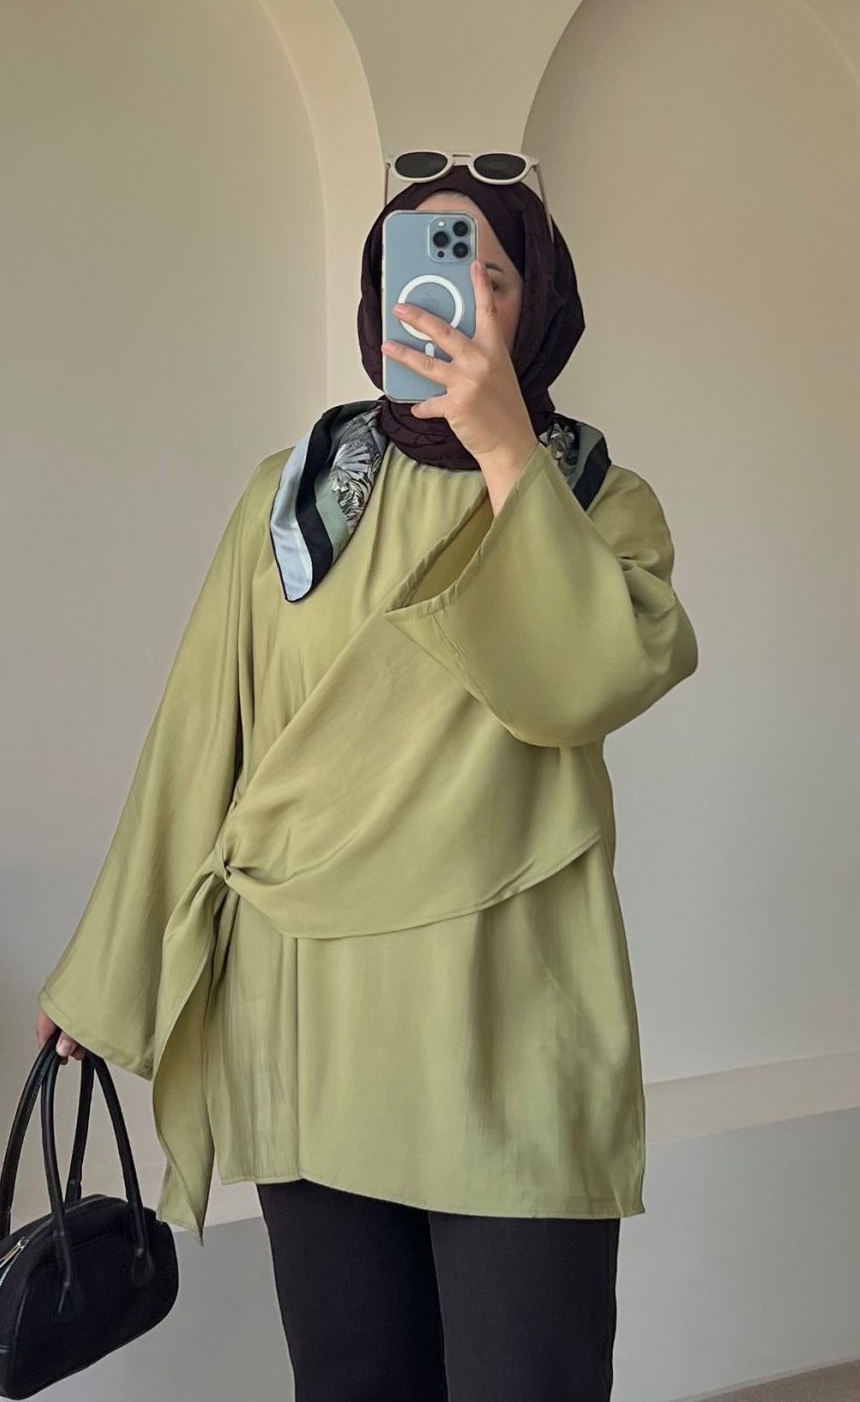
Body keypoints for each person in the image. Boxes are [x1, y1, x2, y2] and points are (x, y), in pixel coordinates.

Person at [37, 161, 698, 1401]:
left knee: (527, 1376)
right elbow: (201, 737)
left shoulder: (602, 502)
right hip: (309, 1007)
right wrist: (107, 976)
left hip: (508, 1003)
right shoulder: (292, 497)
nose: (452, 301)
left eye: (489, 275)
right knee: (352, 1377)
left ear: (539, 304)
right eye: (422, 270)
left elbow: (588, 678)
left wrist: (504, 449)